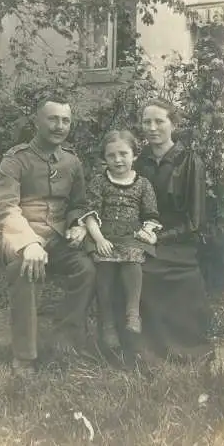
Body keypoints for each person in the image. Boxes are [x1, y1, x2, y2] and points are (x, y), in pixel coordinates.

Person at [0, 95, 96, 378]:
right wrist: (29, 242)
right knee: (26, 271)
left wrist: (79, 225)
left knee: (86, 269)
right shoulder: (16, 159)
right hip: (20, 236)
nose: (60, 126)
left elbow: (78, 204)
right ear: (37, 121)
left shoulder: (72, 162)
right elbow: (4, 207)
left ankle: (65, 342)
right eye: (53, 119)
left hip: (58, 238)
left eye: (65, 120)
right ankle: (25, 357)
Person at [134, 98, 215, 367]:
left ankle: (184, 348)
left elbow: (195, 220)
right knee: (138, 269)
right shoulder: (139, 161)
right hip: (145, 236)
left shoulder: (190, 161)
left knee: (176, 274)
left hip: (179, 240)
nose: (153, 127)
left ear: (173, 124)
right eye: (147, 122)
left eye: (160, 121)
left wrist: (162, 237)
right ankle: (146, 348)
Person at [80, 130, 162, 352]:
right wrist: (98, 239)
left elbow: (151, 215)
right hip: (104, 234)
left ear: (134, 155)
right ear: (104, 158)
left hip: (131, 236)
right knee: (104, 268)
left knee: (133, 260)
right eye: (111, 155)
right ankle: (107, 325)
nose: (118, 160)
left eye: (123, 154)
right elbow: (89, 215)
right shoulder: (99, 182)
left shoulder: (143, 184)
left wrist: (148, 231)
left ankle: (132, 314)